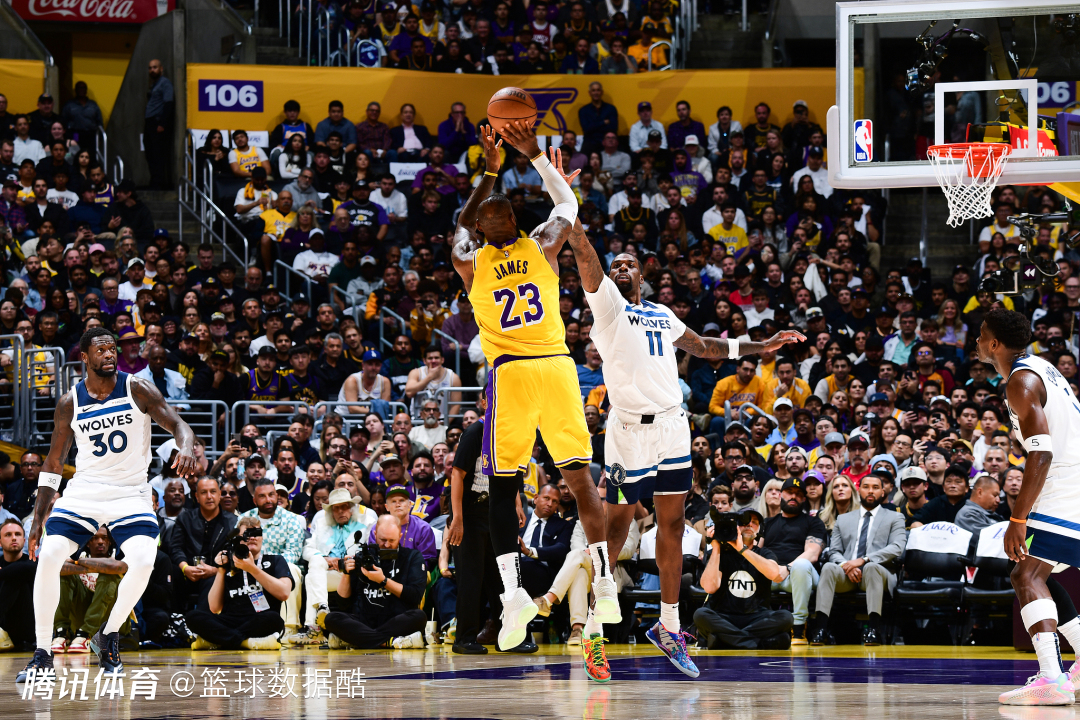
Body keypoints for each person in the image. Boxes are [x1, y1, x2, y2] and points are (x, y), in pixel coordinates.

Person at [567, 226, 802, 678]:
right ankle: (593, 631)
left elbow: (705, 346)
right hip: (628, 433)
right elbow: (587, 258)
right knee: (616, 530)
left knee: (672, 525)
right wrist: (572, 221)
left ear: (643, 275)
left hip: (673, 426)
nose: (621, 267)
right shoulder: (608, 307)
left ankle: (670, 626)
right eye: (616, 265)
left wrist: (762, 345)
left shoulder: (662, 313)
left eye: (630, 264)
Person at [449, 122, 614, 652]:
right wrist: (536, 158)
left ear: (480, 229)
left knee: (502, 487)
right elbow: (567, 204)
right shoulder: (543, 244)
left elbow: (460, 222)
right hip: (558, 367)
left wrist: (490, 168)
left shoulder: (469, 260)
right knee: (580, 478)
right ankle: (605, 583)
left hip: (513, 373)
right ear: (518, 222)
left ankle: (515, 594)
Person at [17, 327, 198, 682]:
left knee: (143, 561)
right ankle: (42, 654)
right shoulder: (70, 402)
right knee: (50, 555)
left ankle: (109, 634)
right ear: (84, 357)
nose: (109, 354)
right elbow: (54, 463)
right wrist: (37, 521)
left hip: (130, 492)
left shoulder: (137, 388)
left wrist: (187, 446)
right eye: (101, 350)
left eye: (112, 348)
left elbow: (179, 425)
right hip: (85, 491)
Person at [975, 308, 1080, 704]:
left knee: (1026, 574)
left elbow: (1042, 452)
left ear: (994, 344)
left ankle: (1051, 680)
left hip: (1064, 482)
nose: (977, 341)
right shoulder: (1041, 367)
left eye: (981, 335)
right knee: (1034, 572)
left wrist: (1017, 517)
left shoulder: (1020, 381)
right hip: (1071, 479)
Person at [808, 473, 907, 647]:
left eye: (875, 488)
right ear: (859, 490)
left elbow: (897, 547)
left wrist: (864, 560)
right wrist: (846, 565)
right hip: (848, 574)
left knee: (871, 568)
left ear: (883, 492)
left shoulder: (895, 517)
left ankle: (873, 629)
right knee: (829, 567)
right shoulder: (843, 519)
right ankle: (821, 629)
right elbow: (835, 551)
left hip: (879, 573)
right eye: (866, 487)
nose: (870, 491)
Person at [185, 516, 293, 650]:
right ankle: (246, 642)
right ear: (238, 539)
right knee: (192, 617)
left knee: (274, 619)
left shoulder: (275, 560)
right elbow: (214, 607)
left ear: (262, 537)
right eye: (247, 535)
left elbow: (284, 593)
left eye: (256, 533)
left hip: (259, 620)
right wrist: (221, 570)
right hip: (229, 621)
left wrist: (252, 569)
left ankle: (219, 641)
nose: (252, 538)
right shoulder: (229, 564)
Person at [323, 514, 428, 649]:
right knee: (331, 618)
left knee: (419, 616)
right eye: (382, 540)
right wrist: (346, 574)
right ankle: (390, 642)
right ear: (375, 534)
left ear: (400, 536)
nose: (387, 544)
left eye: (392, 540)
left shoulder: (412, 557)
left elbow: (415, 596)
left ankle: (357, 640)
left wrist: (383, 581)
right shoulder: (363, 556)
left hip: (395, 620)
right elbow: (342, 603)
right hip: (364, 620)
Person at [694, 508, 792, 649]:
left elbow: (774, 574)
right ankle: (757, 643)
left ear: (759, 530)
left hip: (757, 617)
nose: (749, 525)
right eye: (744, 522)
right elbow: (710, 587)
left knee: (786, 617)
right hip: (724, 616)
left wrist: (742, 550)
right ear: (735, 526)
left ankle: (725, 641)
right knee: (700, 615)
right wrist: (716, 547)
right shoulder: (719, 553)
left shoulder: (764, 553)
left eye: (754, 522)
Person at [762, 476, 826, 645]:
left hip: (798, 576)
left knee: (801, 564)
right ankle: (753, 624)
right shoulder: (767, 523)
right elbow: (755, 551)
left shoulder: (814, 522)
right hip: (770, 575)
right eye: (789, 492)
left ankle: (799, 627)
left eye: (798, 494)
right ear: (780, 495)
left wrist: (787, 568)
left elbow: (812, 553)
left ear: (804, 499)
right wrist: (771, 568)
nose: (793, 496)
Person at [51, 526, 128, 654]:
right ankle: (61, 632)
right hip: (81, 617)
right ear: (87, 542)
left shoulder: (120, 556)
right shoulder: (80, 558)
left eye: (104, 538)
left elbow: (115, 567)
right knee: (65, 575)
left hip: (111, 620)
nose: (100, 542)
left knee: (109, 575)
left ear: (110, 541)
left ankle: (85, 633)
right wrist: (87, 564)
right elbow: (57, 568)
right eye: (95, 538)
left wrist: (78, 562)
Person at [144, 59, 175, 190]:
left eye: (155, 67)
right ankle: (154, 180)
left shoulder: (165, 83)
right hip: (150, 122)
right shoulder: (154, 84)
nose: (152, 70)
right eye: (150, 68)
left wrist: (162, 123)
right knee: (150, 153)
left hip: (157, 122)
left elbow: (168, 103)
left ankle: (159, 183)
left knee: (158, 153)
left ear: (161, 69)